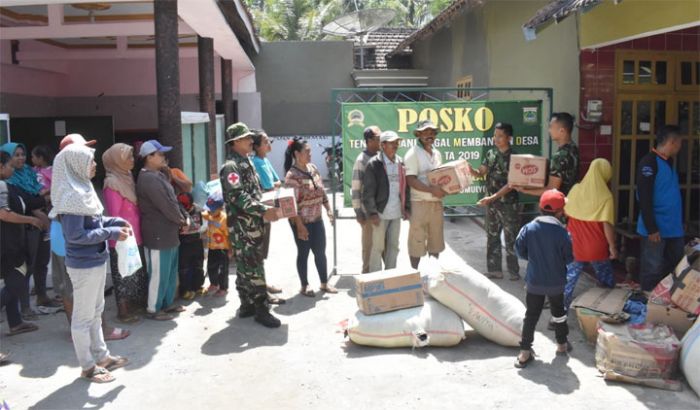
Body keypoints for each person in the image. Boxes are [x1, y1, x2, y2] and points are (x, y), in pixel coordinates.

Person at [51, 144, 129, 383]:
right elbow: (76, 236)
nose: (95, 165)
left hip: (94, 260)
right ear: (75, 165)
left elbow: (95, 221)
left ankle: (102, 357)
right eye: (90, 161)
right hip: (83, 265)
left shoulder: (82, 189)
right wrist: (111, 232)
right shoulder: (71, 197)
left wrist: (114, 221)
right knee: (83, 318)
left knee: (96, 312)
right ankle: (87, 367)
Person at [220, 122, 282, 328]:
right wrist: (265, 210)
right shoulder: (231, 166)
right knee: (254, 267)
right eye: (246, 138)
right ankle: (261, 310)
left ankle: (246, 304)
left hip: (252, 224)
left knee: (246, 266)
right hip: (242, 227)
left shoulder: (247, 161)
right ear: (236, 142)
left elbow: (253, 192)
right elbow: (238, 196)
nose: (250, 141)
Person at [514, 189, 573, 368]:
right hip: (556, 282)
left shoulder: (528, 228)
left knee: (531, 315)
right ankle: (562, 344)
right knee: (559, 313)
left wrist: (535, 259)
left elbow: (519, 250)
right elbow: (569, 257)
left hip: (534, 281)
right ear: (559, 212)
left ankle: (524, 352)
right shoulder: (562, 233)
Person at [136, 139, 187, 321]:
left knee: (169, 271)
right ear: (149, 157)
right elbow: (166, 205)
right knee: (158, 273)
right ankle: (153, 309)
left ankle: (166, 303)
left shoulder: (157, 175)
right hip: (158, 233)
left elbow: (172, 201)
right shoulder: (148, 179)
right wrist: (182, 220)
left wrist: (181, 218)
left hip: (168, 231)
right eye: (160, 154)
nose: (164, 157)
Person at [0, 143, 54, 313]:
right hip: (22, 229)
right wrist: (36, 211)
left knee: (42, 261)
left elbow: (36, 194)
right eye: (16, 155)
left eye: (23, 154)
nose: (21, 158)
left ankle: (41, 296)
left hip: (38, 223)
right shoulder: (7, 182)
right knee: (24, 268)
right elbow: (26, 203)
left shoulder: (30, 173)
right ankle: (24, 307)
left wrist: (41, 202)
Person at [284, 137, 338, 297]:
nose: (310, 154)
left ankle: (323, 283)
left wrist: (328, 209)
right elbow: (290, 206)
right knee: (304, 253)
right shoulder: (291, 176)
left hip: (317, 219)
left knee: (320, 252)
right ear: (297, 154)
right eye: (307, 151)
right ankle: (304, 285)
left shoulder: (313, 168)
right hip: (302, 222)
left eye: (310, 151)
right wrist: (299, 226)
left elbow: (321, 191)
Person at [467, 122, 520, 281]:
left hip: (509, 204)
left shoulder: (515, 157)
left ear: (509, 138)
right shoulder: (490, 153)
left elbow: (512, 184)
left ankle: (513, 271)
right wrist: (471, 170)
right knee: (492, 236)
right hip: (492, 204)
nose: (496, 139)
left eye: (500, 136)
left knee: (511, 238)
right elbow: (480, 172)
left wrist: (492, 197)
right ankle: (495, 270)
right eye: (495, 135)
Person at [562, 158, 617, 312]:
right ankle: (606, 311)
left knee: (568, 280)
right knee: (606, 281)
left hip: (574, 243)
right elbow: (606, 224)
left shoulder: (576, 189)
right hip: (597, 246)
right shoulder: (606, 196)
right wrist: (612, 247)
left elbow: (566, 211)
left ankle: (558, 315)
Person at [102, 143, 148, 323]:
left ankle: (135, 304)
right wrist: (123, 233)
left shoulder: (127, 177)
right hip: (122, 237)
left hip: (135, 234)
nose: (132, 160)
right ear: (117, 161)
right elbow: (114, 213)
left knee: (135, 271)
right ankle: (123, 310)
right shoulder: (112, 182)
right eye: (128, 157)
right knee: (122, 273)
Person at [636, 125, 685, 291]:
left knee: (676, 266)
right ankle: (647, 302)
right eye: (679, 143)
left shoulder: (668, 162)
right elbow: (644, 197)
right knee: (653, 268)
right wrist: (651, 228)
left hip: (673, 227)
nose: (680, 147)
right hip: (656, 228)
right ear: (672, 142)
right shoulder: (649, 163)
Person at [0, 150, 43, 337]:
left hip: (8, 241)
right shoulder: (1, 184)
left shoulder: (9, 185)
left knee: (12, 280)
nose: (12, 168)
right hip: (7, 243)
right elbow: (4, 214)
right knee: (17, 279)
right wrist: (30, 220)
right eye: (9, 165)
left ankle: (15, 322)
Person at [362, 130, 410, 272]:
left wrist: (406, 207)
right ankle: (375, 279)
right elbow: (368, 192)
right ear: (383, 145)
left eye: (397, 142)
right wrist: (373, 213)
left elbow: (405, 187)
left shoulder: (400, 162)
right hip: (380, 213)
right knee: (378, 247)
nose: (395, 145)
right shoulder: (374, 164)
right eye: (392, 142)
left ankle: (391, 276)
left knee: (394, 246)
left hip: (396, 213)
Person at [404, 119, 446, 269]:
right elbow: (410, 180)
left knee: (435, 241)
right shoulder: (412, 153)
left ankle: (433, 277)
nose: (430, 135)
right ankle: (414, 276)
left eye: (432, 132)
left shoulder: (437, 153)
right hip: (418, 203)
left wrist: (445, 189)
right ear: (419, 134)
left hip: (436, 203)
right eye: (426, 132)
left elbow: (441, 177)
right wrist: (431, 190)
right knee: (417, 241)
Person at [250, 129, 284, 299]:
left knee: (263, 250)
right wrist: (274, 186)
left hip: (268, 209)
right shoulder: (255, 162)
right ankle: (260, 287)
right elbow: (270, 186)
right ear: (256, 146)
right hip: (260, 211)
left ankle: (263, 283)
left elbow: (278, 181)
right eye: (265, 141)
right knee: (258, 250)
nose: (268, 143)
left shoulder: (265, 160)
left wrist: (275, 185)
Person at [513, 112, 579, 197]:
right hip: (572, 201)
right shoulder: (574, 148)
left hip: (560, 204)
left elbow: (552, 190)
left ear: (562, 130)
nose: (549, 130)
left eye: (551, 127)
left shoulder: (559, 156)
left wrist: (525, 191)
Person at [352, 126, 381, 273]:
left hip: (383, 210)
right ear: (369, 141)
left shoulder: (382, 157)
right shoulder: (361, 160)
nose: (381, 141)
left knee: (384, 248)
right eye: (378, 138)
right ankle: (367, 279)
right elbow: (356, 187)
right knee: (369, 248)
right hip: (367, 212)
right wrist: (358, 212)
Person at [176, 192, 206, 300]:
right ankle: (186, 290)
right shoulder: (178, 210)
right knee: (184, 268)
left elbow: (201, 225)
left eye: (187, 207)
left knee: (198, 265)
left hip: (196, 241)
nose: (186, 210)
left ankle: (197, 287)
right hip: (184, 243)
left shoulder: (198, 209)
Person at [202, 191, 230, 297]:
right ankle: (214, 283)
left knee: (223, 269)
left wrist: (231, 249)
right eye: (209, 209)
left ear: (221, 208)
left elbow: (228, 235)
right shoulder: (209, 215)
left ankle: (223, 287)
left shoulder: (224, 218)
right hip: (212, 247)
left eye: (212, 210)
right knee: (211, 267)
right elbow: (202, 212)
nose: (210, 212)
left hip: (223, 248)